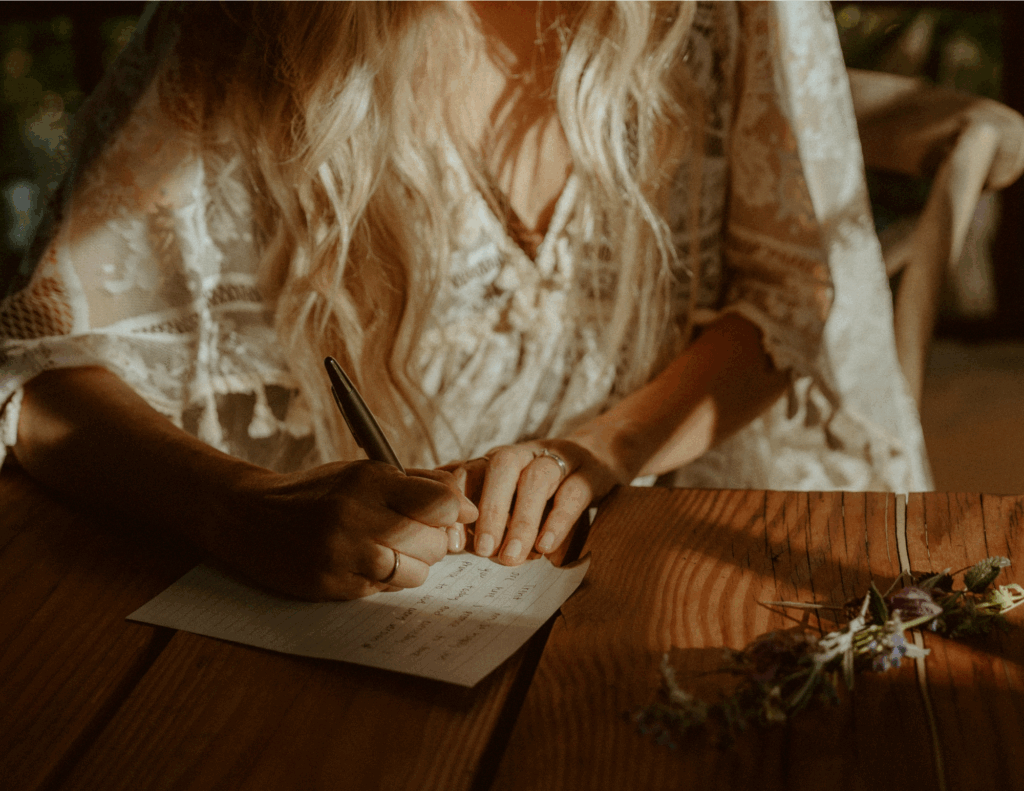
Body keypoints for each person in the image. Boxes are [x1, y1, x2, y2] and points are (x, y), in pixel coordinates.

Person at [0, 1, 931, 601]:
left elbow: (786, 294)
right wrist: (239, 507)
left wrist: (599, 452)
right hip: (338, 605)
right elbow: (33, 370)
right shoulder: (252, 22)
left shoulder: (734, 13)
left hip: (644, 567)